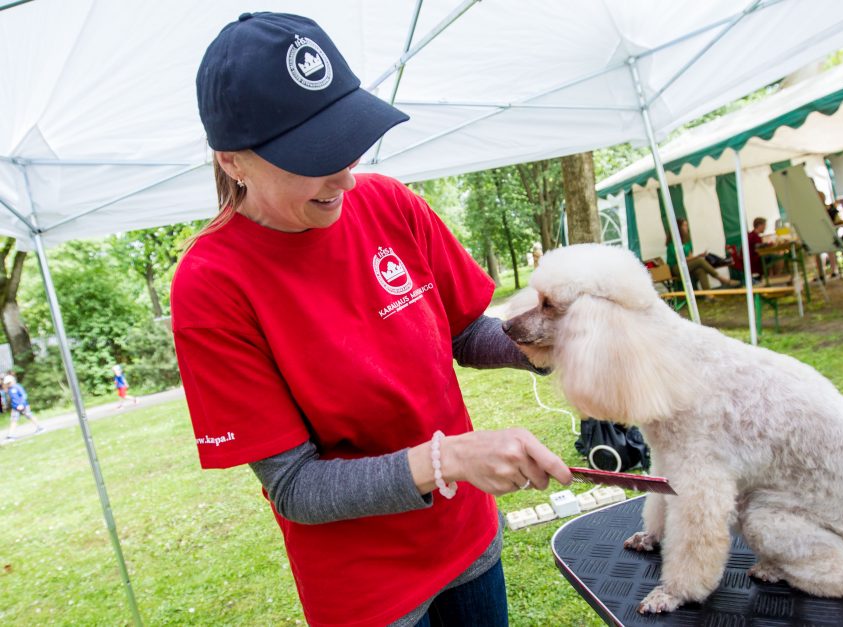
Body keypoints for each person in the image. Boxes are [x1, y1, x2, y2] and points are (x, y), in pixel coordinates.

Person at [171, 13, 571, 627]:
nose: (347, 176)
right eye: (314, 156)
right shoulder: (211, 285)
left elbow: (464, 330)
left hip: (467, 543)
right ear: (233, 162)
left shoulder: (389, 205)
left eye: (347, 142)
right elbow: (296, 488)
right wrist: (450, 462)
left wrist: (564, 342)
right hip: (368, 594)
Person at [665, 218, 740, 289]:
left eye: (687, 225)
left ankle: (709, 296)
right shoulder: (672, 244)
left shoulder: (687, 242)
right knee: (700, 260)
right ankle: (722, 279)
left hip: (686, 266)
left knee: (700, 270)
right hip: (676, 268)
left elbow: (690, 257)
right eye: (684, 225)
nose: (686, 227)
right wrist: (698, 256)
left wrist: (698, 256)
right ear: (679, 228)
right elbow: (682, 259)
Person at [3, 374, 42, 440]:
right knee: (13, 420)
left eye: (9, 383)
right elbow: (10, 399)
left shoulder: (18, 387)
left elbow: (24, 395)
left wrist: (21, 404)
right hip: (15, 407)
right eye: (7, 383)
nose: (8, 384)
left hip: (23, 405)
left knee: (30, 416)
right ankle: (10, 435)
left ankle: (40, 427)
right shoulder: (8, 390)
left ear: (12, 381)